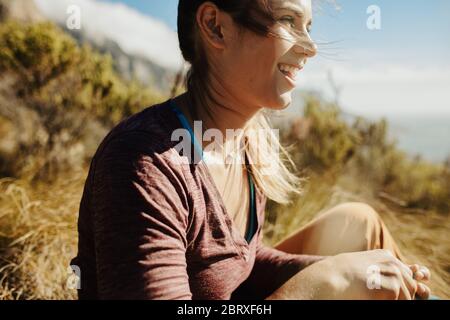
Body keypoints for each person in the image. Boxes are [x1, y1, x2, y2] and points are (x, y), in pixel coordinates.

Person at [71, 0, 431, 300]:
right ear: (215, 27)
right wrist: (324, 282)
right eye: (289, 21)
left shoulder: (245, 142)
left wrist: (343, 271)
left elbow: (238, 263)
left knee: (359, 223)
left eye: (308, 25)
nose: (310, 47)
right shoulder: (145, 163)